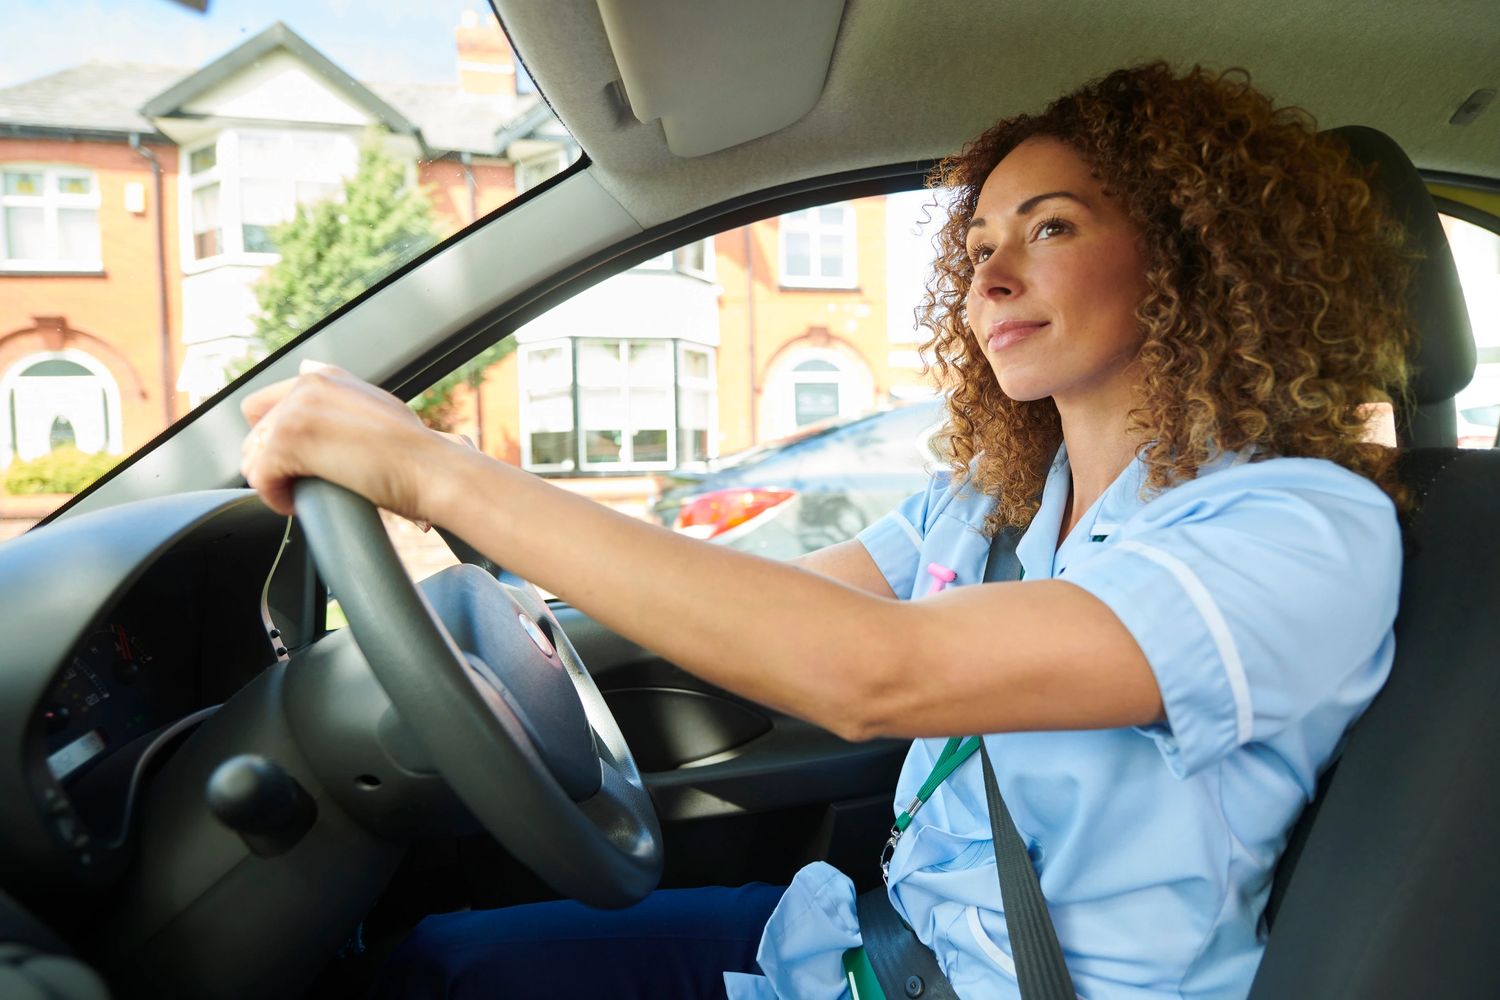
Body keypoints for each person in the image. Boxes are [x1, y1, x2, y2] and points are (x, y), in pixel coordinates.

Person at [240, 62, 1413, 999]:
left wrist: (434, 466)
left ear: (1189, 254)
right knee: (448, 965)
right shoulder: (1001, 501)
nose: (988, 274)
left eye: (1049, 227)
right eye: (978, 243)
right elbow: (765, 607)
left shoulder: (1298, 527)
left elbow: (872, 673)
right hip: (866, 945)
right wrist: (510, 614)